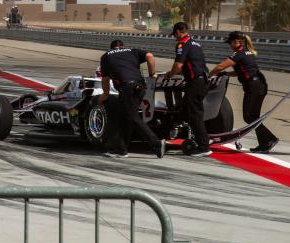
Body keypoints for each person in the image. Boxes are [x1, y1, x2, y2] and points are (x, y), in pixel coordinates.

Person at [210, 31, 278, 153]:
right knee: (253, 117)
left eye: (230, 42)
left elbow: (220, 66)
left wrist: (209, 75)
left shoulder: (238, 54)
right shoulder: (247, 52)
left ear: (237, 42)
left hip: (254, 86)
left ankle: (269, 139)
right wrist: (226, 74)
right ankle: (265, 142)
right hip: (259, 85)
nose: (229, 45)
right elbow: (240, 71)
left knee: (248, 116)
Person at [98, 39, 165, 159]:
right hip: (140, 87)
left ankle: (156, 143)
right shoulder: (132, 51)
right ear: (123, 46)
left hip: (127, 87)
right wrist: (152, 73)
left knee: (132, 117)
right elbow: (150, 56)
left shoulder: (106, 56)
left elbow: (105, 78)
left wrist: (106, 93)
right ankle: (121, 150)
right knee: (126, 117)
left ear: (111, 48)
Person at [165, 22, 211, 157]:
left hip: (195, 82)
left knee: (194, 114)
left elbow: (178, 66)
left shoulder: (182, 44)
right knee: (188, 109)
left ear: (179, 32)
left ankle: (204, 146)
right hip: (203, 81)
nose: (175, 36)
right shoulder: (196, 43)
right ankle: (198, 138)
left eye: (175, 34)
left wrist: (169, 75)